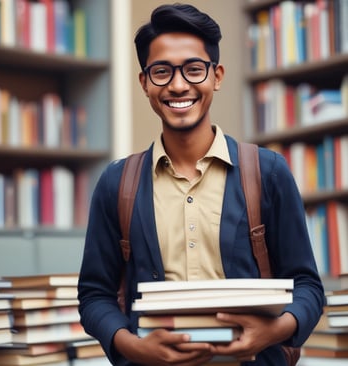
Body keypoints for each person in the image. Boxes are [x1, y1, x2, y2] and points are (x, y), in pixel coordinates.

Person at [78, 3, 325, 366]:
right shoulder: (117, 183)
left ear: (217, 76)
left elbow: (308, 286)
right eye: (161, 72)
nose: (179, 85)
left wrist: (273, 331)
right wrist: (133, 347)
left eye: (194, 70)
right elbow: (94, 295)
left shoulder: (268, 172)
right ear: (144, 82)